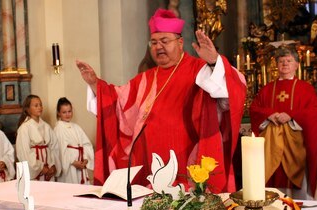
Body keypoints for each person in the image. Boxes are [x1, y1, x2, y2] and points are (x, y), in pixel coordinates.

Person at [76, 8, 246, 192]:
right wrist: (95, 84)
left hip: (186, 158)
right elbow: (118, 101)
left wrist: (214, 62)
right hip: (149, 160)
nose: (158, 47)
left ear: (180, 43)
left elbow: (231, 91)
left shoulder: (200, 69)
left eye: (165, 41)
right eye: (154, 42)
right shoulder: (146, 78)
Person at [250, 46, 317, 199]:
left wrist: (291, 115)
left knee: (294, 187)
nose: (285, 64)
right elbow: (254, 109)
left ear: (296, 65)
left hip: (295, 145)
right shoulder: (267, 89)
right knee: (271, 185)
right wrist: (270, 114)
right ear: (276, 65)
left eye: (289, 61)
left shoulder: (305, 89)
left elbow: (313, 111)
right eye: (281, 61)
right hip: (271, 145)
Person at [16, 95, 59, 181]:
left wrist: (53, 165)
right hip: (35, 170)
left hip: (48, 166)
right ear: (28, 109)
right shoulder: (24, 128)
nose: (39, 107)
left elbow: (54, 147)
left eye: (40, 105)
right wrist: (40, 167)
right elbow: (24, 152)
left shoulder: (47, 126)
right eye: (36, 105)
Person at [53, 97, 94, 184]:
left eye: (69, 111)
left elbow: (86, 144)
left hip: (81, 163)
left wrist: (86, 158)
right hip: (70, 167)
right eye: (64, 112)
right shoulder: (59, 128)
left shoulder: (76, 127)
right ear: (59, 113)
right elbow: (60, 150)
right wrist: (73, 162)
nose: (67, 114)